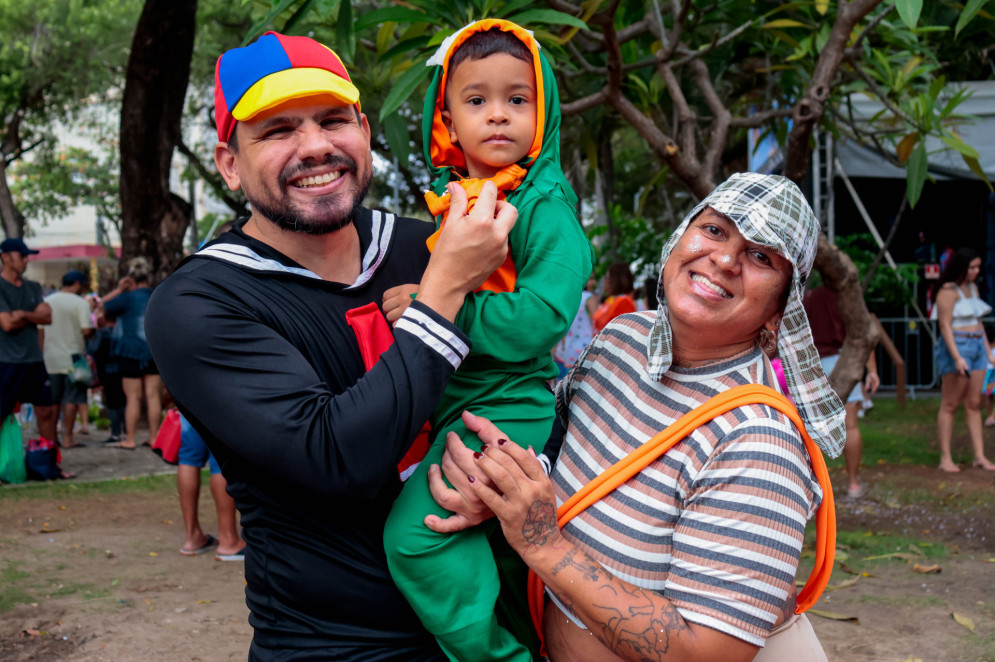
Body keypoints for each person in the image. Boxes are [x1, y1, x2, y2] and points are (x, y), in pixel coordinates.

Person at [145, 31, 516, 660]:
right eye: (278, 130)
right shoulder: (198, 303)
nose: (315, 146)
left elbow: (519, 382)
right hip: (337, 644)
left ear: (365, 131)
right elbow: (333, 460)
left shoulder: (428, 243)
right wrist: (445, 291)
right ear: (230, 163)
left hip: (494, 622)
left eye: (332, 120)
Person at [449, 173, 847, 661]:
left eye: (761, 256)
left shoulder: (758, 440)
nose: (724, 259)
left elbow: (704, 656)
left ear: (777, 311)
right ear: (680, 238)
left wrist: (541, 544)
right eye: (716, 231)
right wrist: (492, 486)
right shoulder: (621, 339)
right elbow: (552, 456)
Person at [380, 20, 592, 662]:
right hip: (462, 404)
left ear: (544, 110)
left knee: (416, 539)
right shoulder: (467, 200)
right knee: (502, 567)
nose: (498, 116)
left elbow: (542, 317)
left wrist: (439, 307)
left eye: (517, 100)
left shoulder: (545, 205)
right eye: (477, 100)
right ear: (445, 118)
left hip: (504, 405)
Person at [804, 285, 880, 498]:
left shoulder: (808, 297)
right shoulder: (849, 298)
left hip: (814, 366)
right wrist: (872, 370)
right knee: (851, 425)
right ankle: (854, 483)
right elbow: (863, 335)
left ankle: (809, 486)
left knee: (810, 427)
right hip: (844, 361)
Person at [930, 247, 995, 471]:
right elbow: (944, 325)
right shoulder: (948, 291)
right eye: (972, 267)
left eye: (978, 267)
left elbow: (978, 323)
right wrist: (957, 357)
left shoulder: (972, 288)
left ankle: (979, 455)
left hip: (976, 343)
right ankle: (945, 458)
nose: (976, 271)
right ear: (961, 267)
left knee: (974, 403)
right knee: (950, 404)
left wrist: (988, 352)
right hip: (959, 345)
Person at [0, 238, 60, 454]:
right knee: (2, 413)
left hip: (34, 359)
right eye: (21, 256)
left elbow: (48, 317)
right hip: (6, 360)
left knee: (46, 411)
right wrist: (34, 315)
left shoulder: (33, 287)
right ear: (5, 257)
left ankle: (50, 460)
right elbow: (6, 323)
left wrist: (23, 314)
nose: (26, 260)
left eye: (27, 256)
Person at [100, 257, 161, 450]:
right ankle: (153, 437)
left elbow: (100, 305)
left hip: (129, 353)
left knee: (132, 398)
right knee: (153, 396)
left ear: (131, 279)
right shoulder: (156, 294)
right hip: (154, 352)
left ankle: (130, 439)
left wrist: (119, 289)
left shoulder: (125, 298)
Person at [177, 411, 246, 561]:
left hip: (187, 392)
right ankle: (229, 540)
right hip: (217, 392)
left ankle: (193, 537)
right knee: (220, 457)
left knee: (189, 456)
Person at [41, 270, 94, 449]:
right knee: (72, 398)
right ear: (78, 284)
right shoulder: (81, 303)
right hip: (74, 358)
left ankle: (52, 437)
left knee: (53, 400)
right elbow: (86, 330)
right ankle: (68, 438)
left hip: (50, 357)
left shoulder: (47, 301)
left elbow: (40, 331)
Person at [553, 272, 599, 380]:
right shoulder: (589, 298)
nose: (594, 282)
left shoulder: (566, 297)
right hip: (585, 349)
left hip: (564, 350)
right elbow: (597, 322)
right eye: (591, 279)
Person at [591, 261, 636, 331]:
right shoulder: (612, 300)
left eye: (607, 277)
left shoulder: (623, 301)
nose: (605, 281)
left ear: (616, 280)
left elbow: (625, 332)